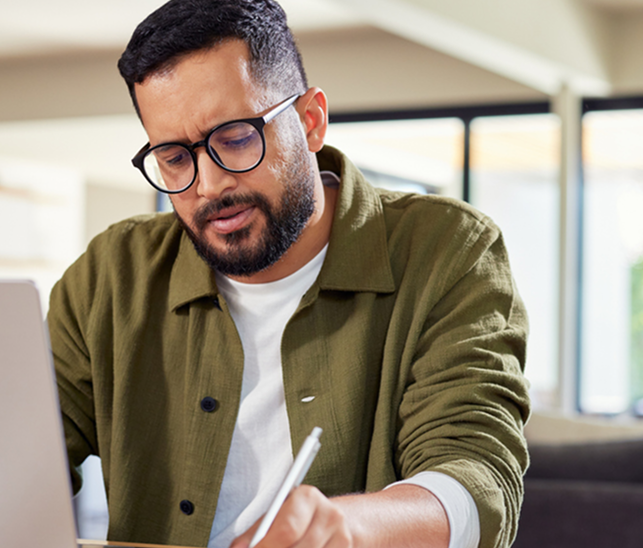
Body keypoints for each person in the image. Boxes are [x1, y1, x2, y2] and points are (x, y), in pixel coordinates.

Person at [47, 1, 530, 548]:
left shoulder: (449, 250)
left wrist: (349, 528)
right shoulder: (110, 275)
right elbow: (17, 462)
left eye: (233, 138)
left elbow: (477, 478)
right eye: (175, 158)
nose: (207, 185)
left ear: (310, 121)